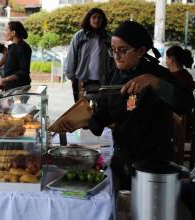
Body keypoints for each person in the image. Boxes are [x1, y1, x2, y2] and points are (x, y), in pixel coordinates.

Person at [60, 21, 195, 190]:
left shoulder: (158, 74)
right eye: (113, 50)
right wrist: (82, 121)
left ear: (141, 51)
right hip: (123, 156)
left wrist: (154, 82)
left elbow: (186, 104)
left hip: (153, 163)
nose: (116, 56)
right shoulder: (113, 75)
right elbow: (103, 114)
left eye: (123, 50)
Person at [66, 8, 114, 102]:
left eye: (99, 18)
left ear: (103, 20)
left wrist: (112, 78)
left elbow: (113, 60)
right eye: (94, 17)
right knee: (81, 111)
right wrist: (72, 77)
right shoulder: (79, 36)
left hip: (102, 81)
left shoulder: (108, 38)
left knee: (101, 110)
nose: (96, 20)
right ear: (89, 19)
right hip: (82, 80)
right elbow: (72, 57)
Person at [0, 21, 31, 91]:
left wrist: (4, 80)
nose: (4, 33)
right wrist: (4, 82)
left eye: (6, 30)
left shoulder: (23, 48)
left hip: (19, 88)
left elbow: (23, 72)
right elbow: (11, 70)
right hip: (10, 88)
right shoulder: (12, 47)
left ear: (13, 33)